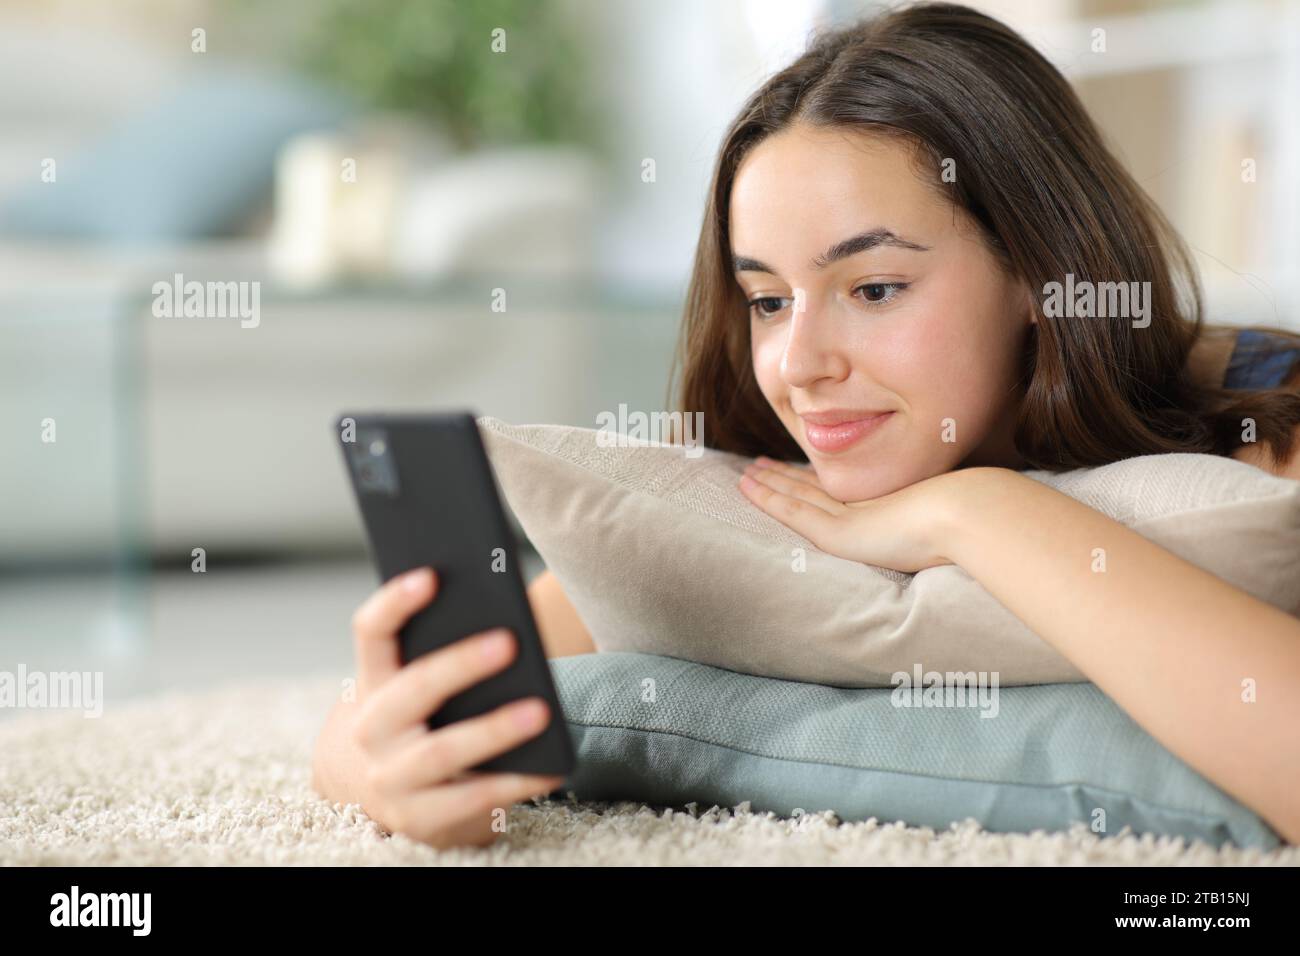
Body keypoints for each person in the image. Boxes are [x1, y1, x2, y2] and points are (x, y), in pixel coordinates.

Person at [312, 2, 1300, 848]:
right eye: (768, 300)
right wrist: (379, 761)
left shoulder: (1272, 407)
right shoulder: (771, 481)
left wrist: (977, 515)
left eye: (873, 287)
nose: (797, 366)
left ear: (1041, 277)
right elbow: (371, 727)